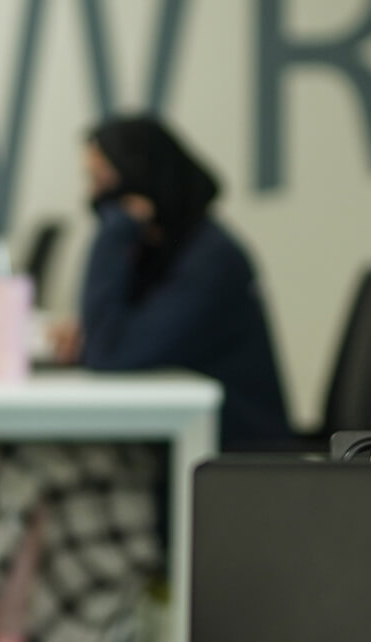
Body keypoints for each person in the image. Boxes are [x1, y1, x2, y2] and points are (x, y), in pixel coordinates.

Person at [57, 115, 291, 448]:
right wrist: (89, 334)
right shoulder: (166, 249)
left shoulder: (210, 261)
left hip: (230, 457)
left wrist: (114, 233)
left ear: (139, 180)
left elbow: (109, 356)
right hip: (184, 440)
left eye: (102, 180)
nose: (95, 197)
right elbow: (112, 342)